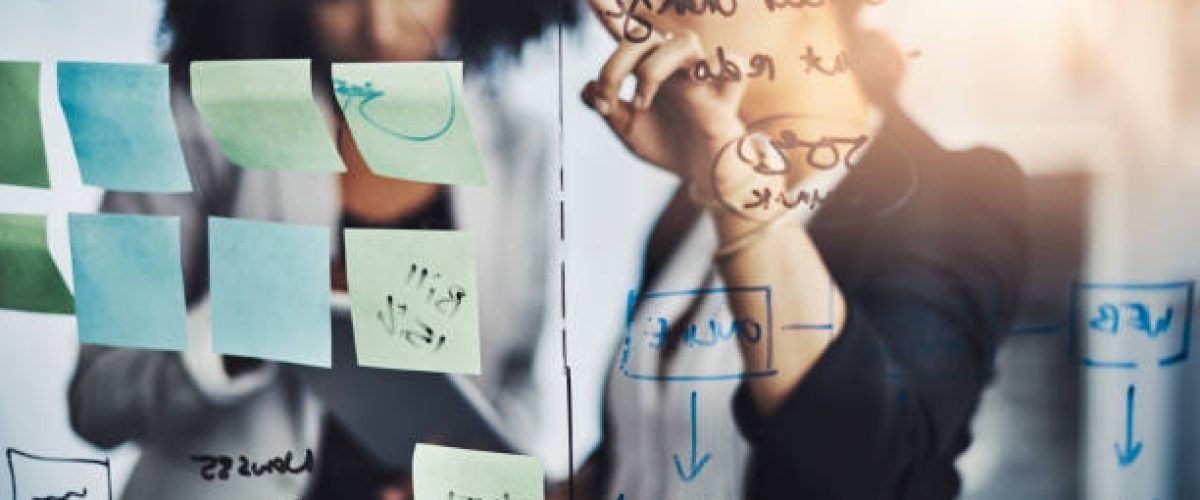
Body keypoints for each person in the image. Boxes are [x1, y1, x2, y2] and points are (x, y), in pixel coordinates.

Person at [67, 0, 575, 498]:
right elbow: (95, 402)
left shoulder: (520, 149)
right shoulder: (187, 114)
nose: (379, 26)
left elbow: (516, 393)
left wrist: (471, 484)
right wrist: (248, 324)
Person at [578, 0, 1027, 498]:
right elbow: (654, 450)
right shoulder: (687, 211)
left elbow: (873, 470)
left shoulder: (955, 195)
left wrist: (734, 189)